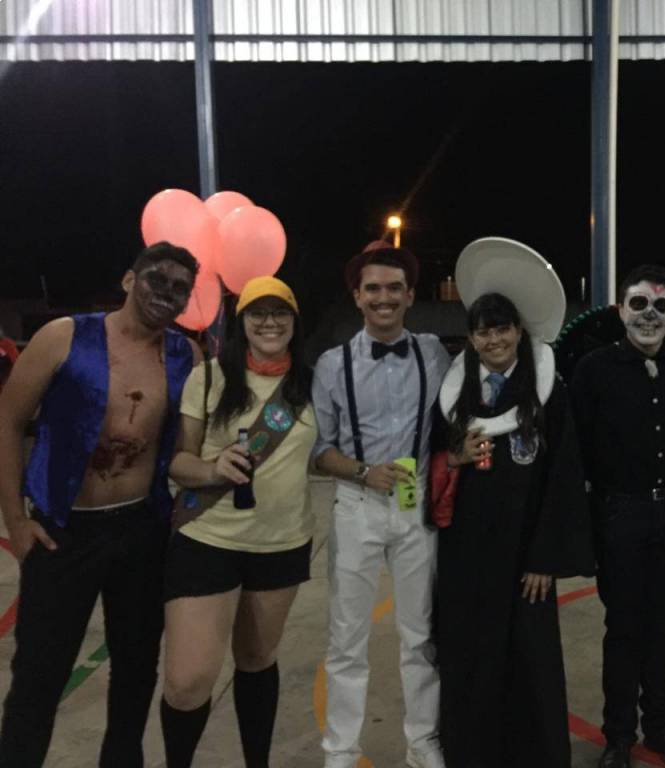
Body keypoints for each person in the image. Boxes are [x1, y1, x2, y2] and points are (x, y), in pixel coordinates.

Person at [0, 242, 199, 767]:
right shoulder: (64, 336)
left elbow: (190, 447)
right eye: (157, 280)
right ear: (129, 280)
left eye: (180, 289)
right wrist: (16, 520)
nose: (167, 294)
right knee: (39, 676)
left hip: (143, 530)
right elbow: (8, 420)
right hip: (63, 531)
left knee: (136, 672)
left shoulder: (187, 356)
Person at [435, 239, 593, 768]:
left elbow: (564, 476)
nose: (494, 339)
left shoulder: (548, 390)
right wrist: (451, 456)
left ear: (519, 331)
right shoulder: (454, 392)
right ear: (471, 338)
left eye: (502, 328)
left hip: (526, 554)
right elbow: (432, 460)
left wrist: (546, 556)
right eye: (483, 331)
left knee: (531, 661)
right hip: (466, 555)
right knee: (471, 656)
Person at [159, 276, 316, 768]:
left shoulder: (311, 384)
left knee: (256, 660)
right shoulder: (208, 377)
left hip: (281, 544)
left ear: (294, 321)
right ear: (241, 322)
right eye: (257, 313)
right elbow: (178, 462)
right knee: (187, 682)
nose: (270, 322)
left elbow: (331, 451)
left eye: (280, 312)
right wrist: (213, 469)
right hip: (207, 540)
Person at [312, 243, 451, 768]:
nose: (383, 298)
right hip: (357, 505)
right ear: (357, 296)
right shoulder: (333, 365)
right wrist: (362, 471)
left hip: (415, 507)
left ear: (411, 295)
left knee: (420, 635)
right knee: (347, 638)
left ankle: (423, 742)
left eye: (394, 288)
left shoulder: (434, 354)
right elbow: (319, 450)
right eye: (372, 288)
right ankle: (340, 750)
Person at [571, 264, 665, 768]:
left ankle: (660, 726)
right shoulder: (593, 370)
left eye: (661, 306)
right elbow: (575, 449)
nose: (649, 315)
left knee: (662, 626)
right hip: (618, 513)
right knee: (624, 627)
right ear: (620, 310)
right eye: (639, 304)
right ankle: (619, 736)